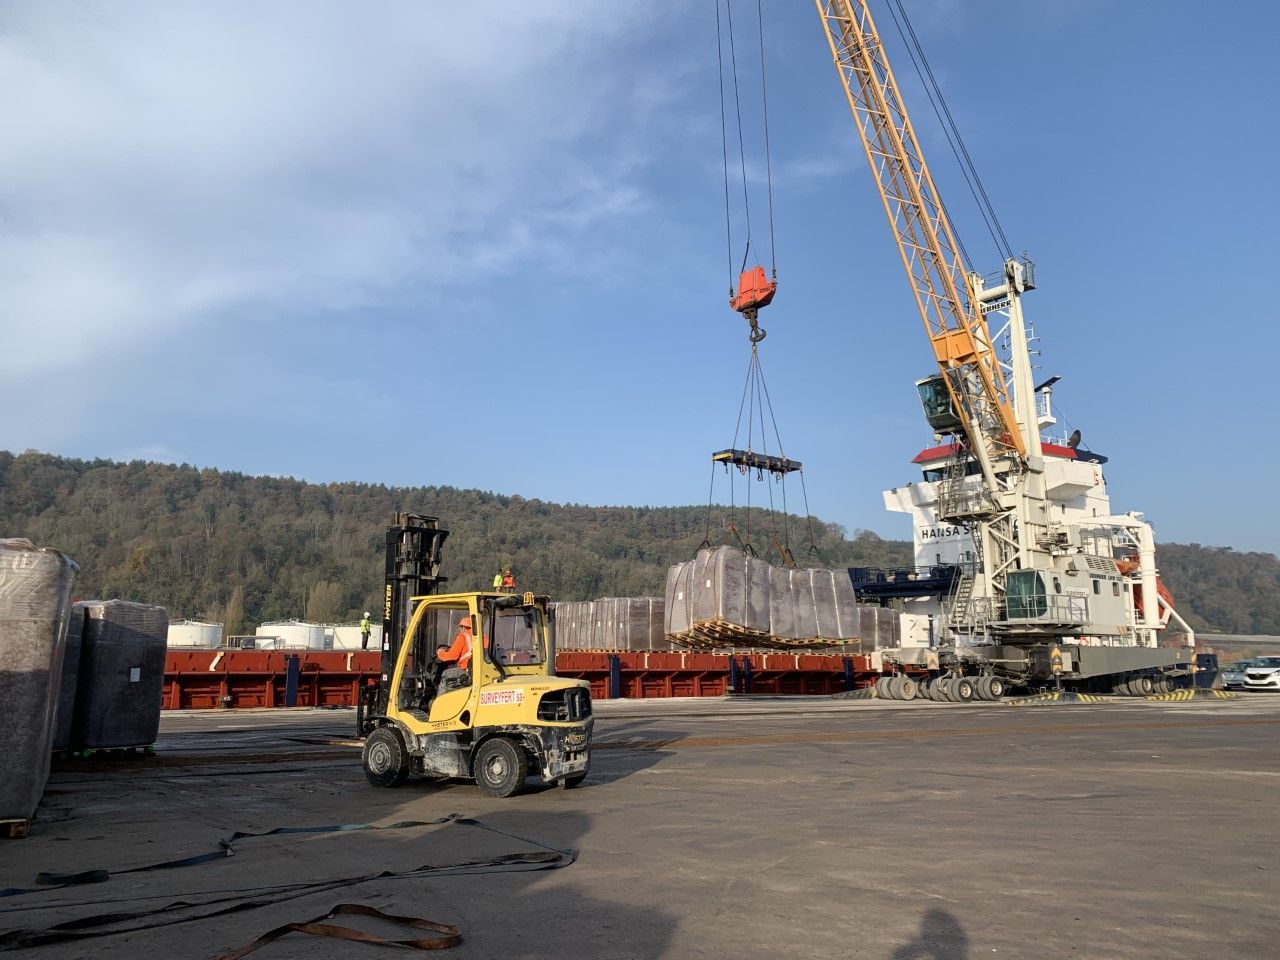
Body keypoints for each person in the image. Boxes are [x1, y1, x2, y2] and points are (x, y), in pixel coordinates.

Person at [435, 614, 474, 690]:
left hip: (466, 672)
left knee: (446, 674)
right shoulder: (484, 637)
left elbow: (451, 656)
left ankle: (440, 700)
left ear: (463, 628)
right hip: (479, 673)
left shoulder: (463, 637)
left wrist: (440, 653)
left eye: (460, 628)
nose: (460, 630)